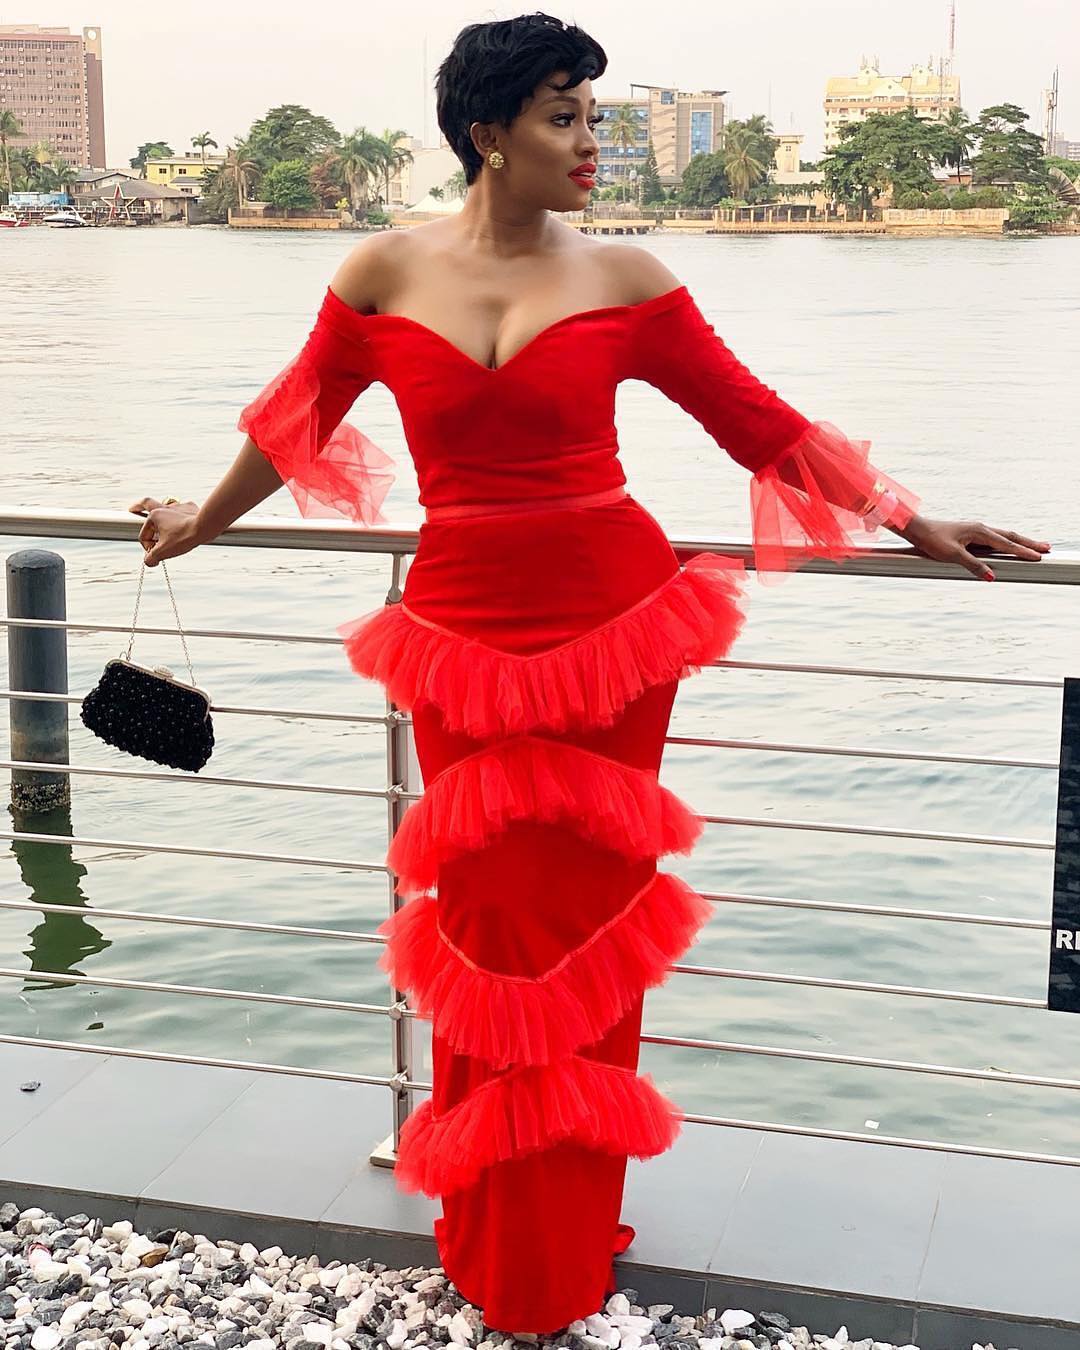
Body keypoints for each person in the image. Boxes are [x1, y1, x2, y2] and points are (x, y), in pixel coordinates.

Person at [128, 11, 1050, 1334]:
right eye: (564, 117)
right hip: (458, 643)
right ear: (487, 133)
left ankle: (560, 1235)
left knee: (588, 931)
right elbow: (295, 423)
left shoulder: (624, 276)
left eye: (594, 119)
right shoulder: (380, 271)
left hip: (613, 640)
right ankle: (493, 1214)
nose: (589, 145)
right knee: (485, 922)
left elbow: (760, 421)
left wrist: (911, 518)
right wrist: (199, 522)